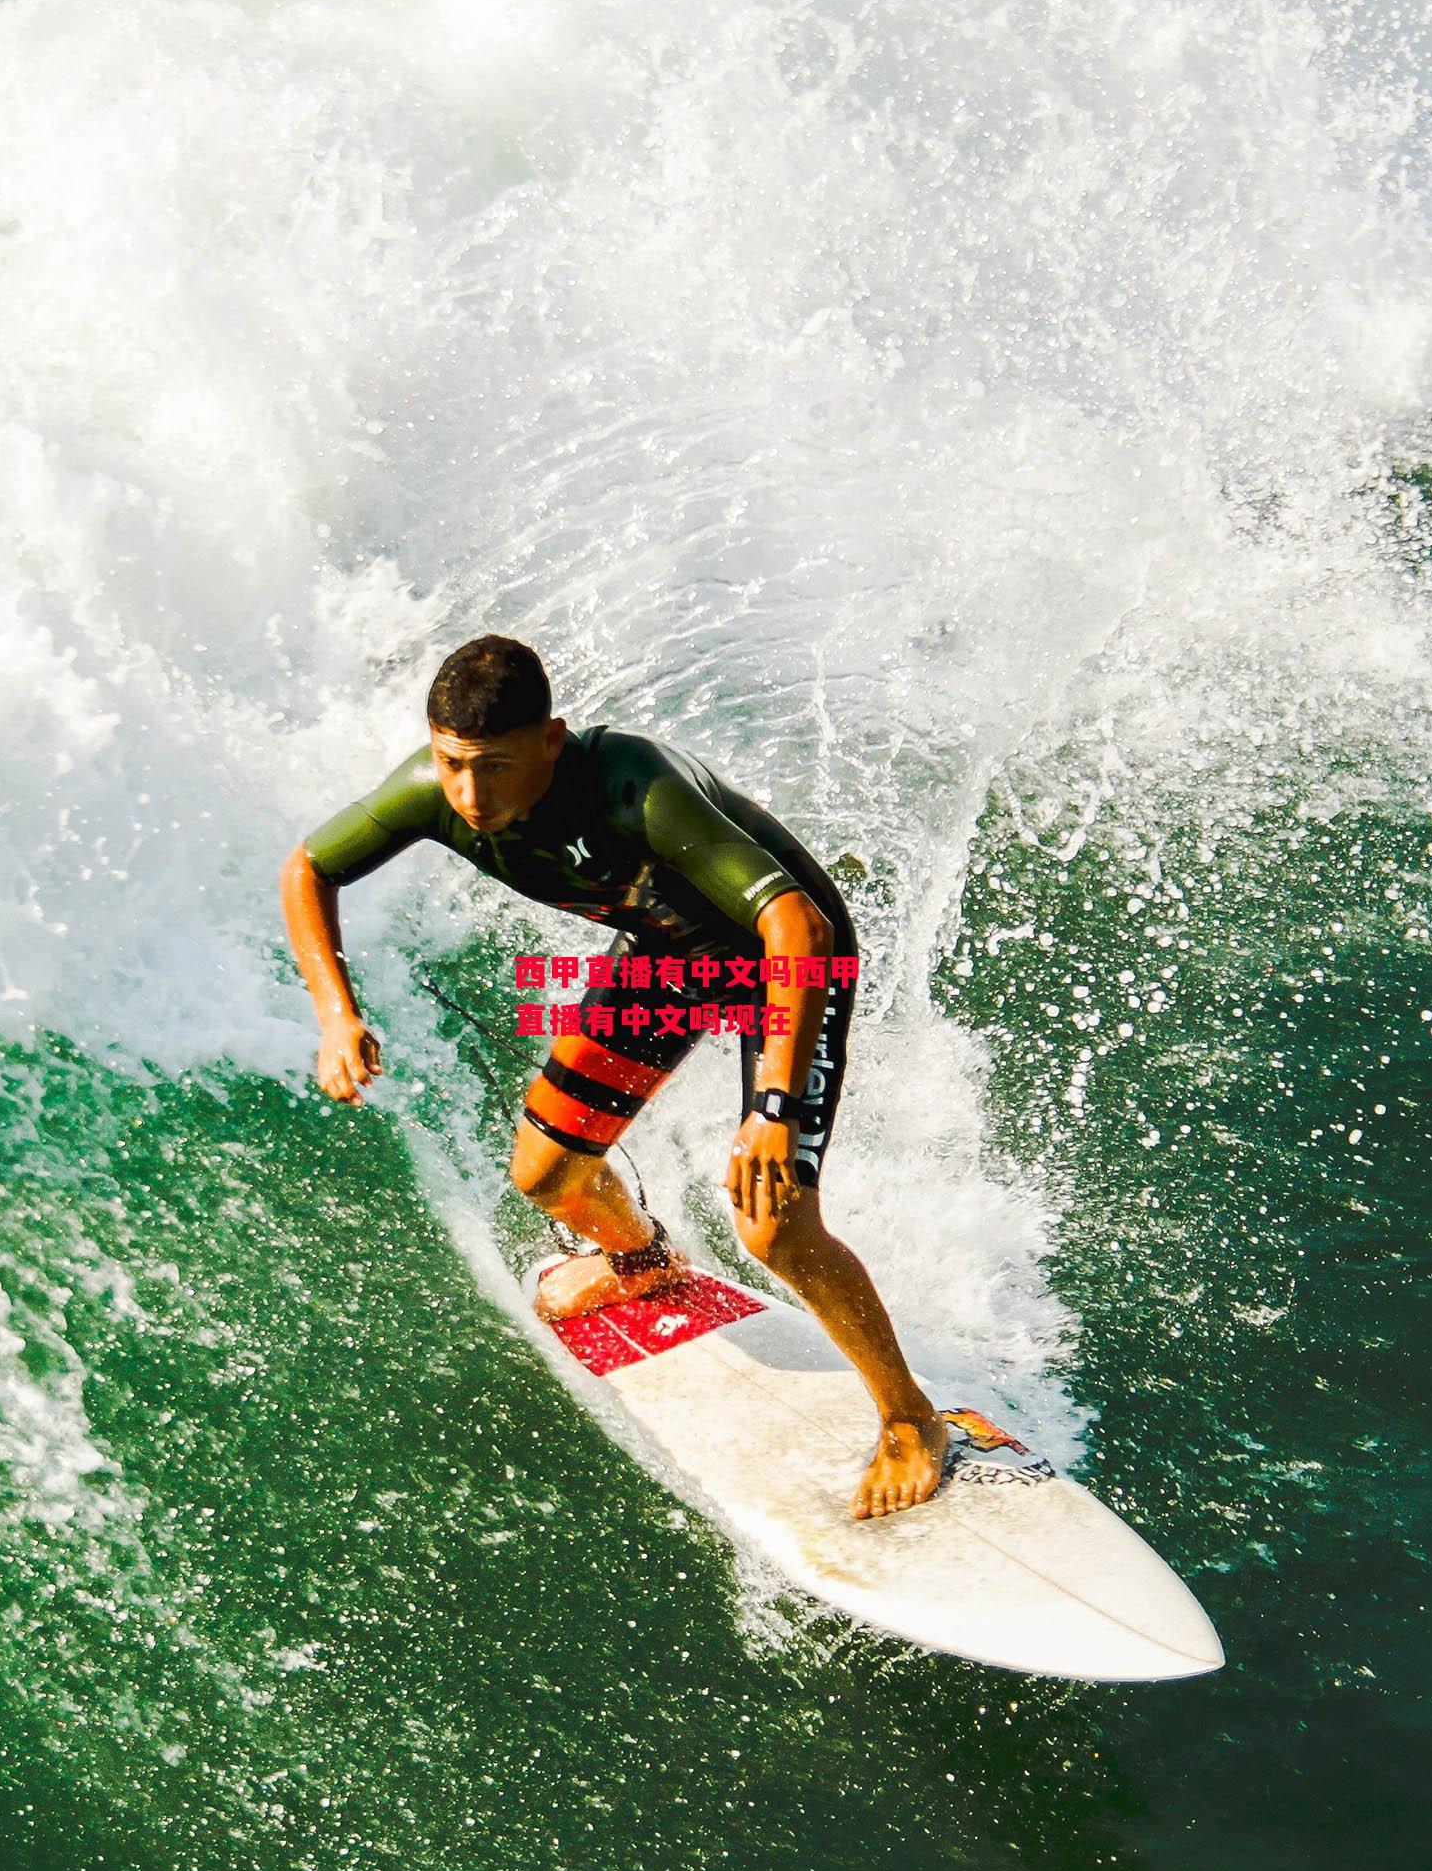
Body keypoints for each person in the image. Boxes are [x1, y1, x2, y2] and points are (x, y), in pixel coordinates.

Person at [279, 635, 950, 1519]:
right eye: (451, 765)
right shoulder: (432, 793)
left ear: (552, 741)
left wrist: (775, 1111)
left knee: (775, 1222)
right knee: (546, 1175)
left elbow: (794, 924)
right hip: (672, 956)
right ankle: (642, 1260)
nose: (471, 796)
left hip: (789, 963)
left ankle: (911, 1421)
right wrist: (336, 1013)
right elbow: (310, 868)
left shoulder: (637, 789)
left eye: (495, 768)